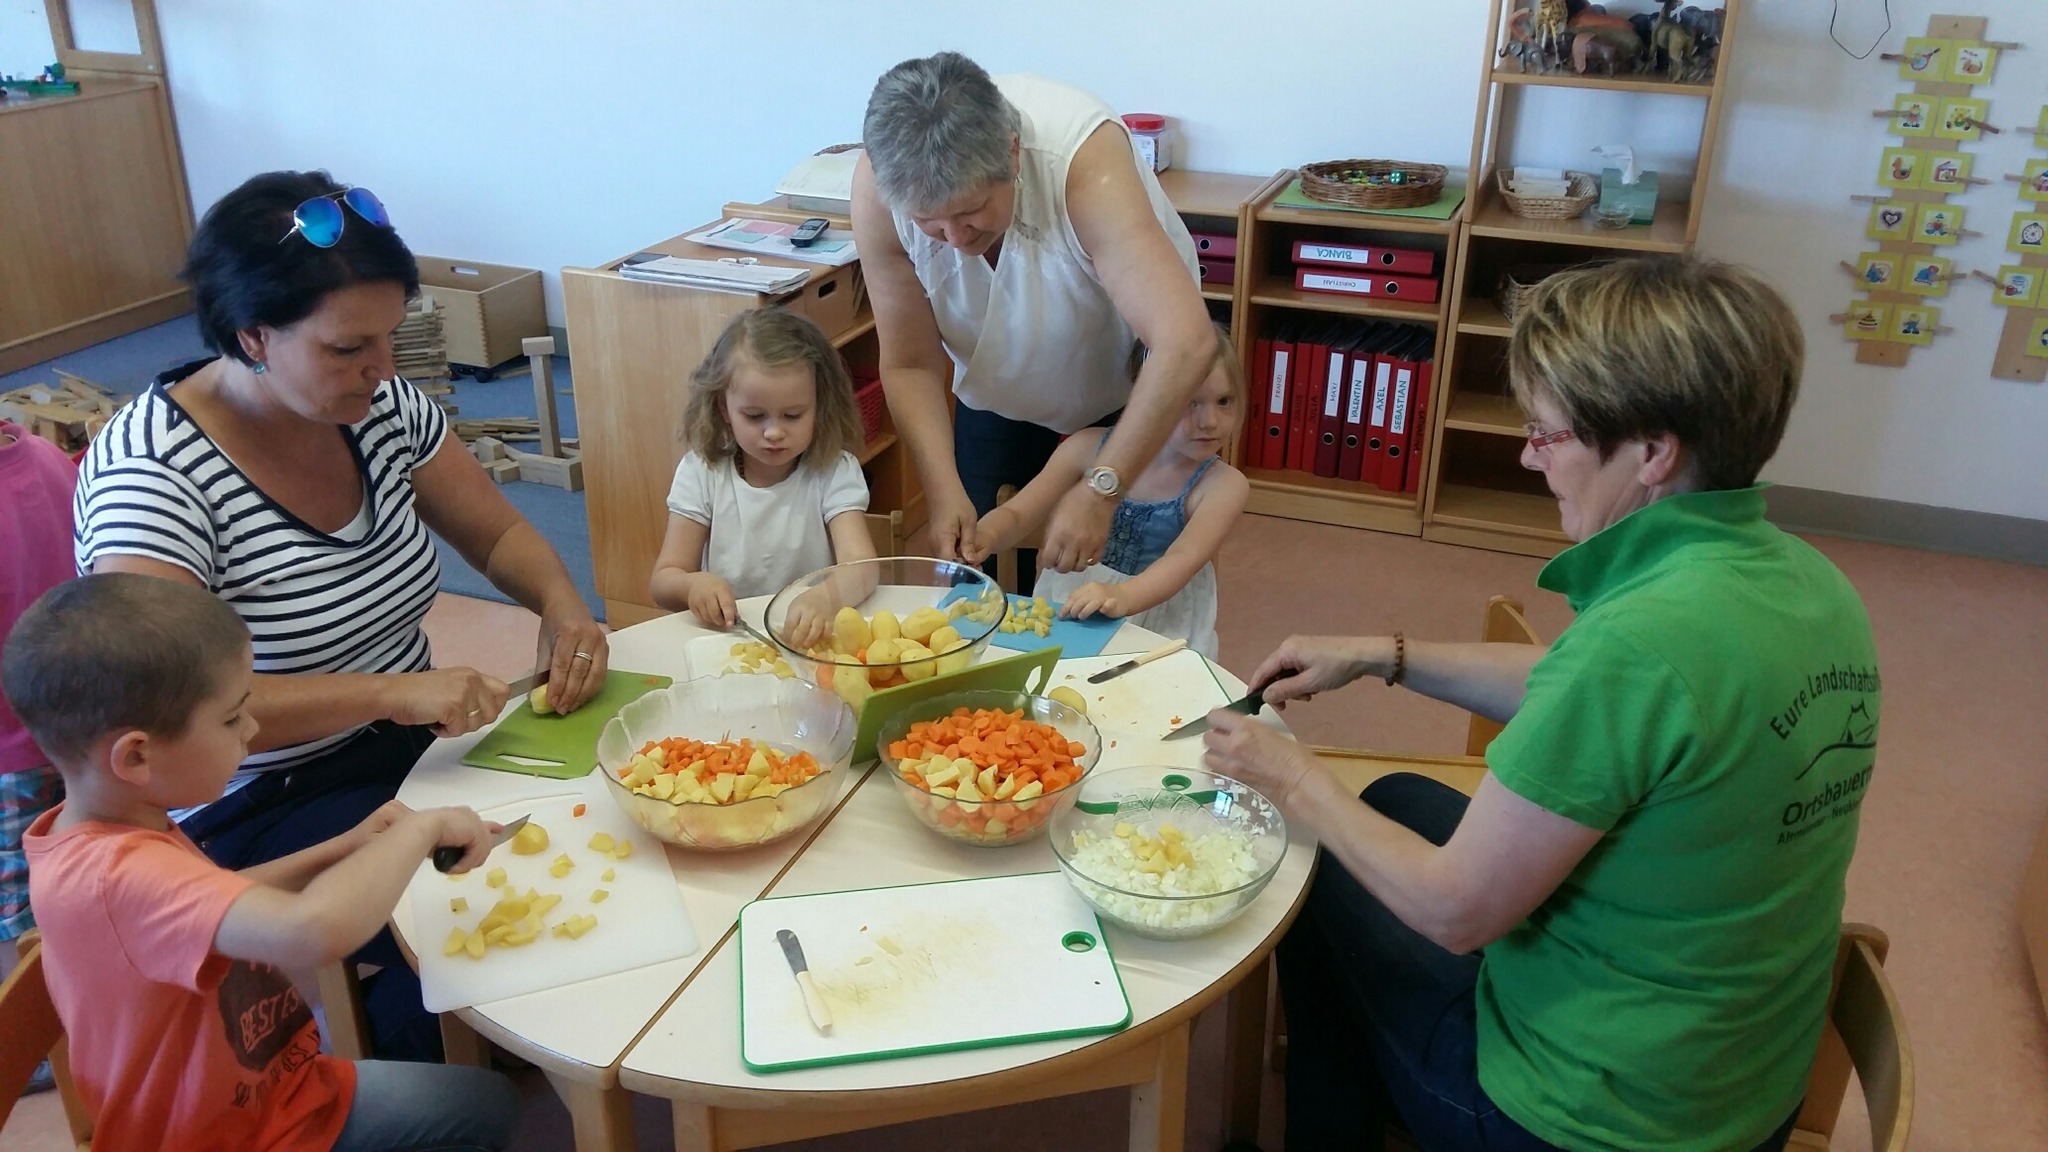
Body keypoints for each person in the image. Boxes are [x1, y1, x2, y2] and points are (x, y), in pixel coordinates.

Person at [1201, 256, 1880, 1152]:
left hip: (1589, 1124)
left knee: (1319, 859)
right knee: (1397, 801)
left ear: (1652, 452)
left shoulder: (1639, 649)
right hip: (1736, 1082)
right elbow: (1594, 699)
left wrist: (1293, 777)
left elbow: (1457, 911)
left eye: (1550, 434)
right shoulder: (1804, 581)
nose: (1528, 454)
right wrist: (1382, 656)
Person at [72, 169, 608, 1058]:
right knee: (481, 913)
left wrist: (562, 605)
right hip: (258, 796)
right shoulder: (154, 477)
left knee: (587, 833)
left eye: (392, 337)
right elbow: (167, 723)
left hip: (412, 740)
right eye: (348, 347)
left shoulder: (377, 406)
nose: (384, 369)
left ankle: (454, 1047)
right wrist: (390, 693)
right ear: (252, 337)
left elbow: (500, 532)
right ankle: (357, 1079)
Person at [6, 572, 521, 1152]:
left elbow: (214, 901)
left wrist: (347, 844)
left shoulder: (111, 823)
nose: (252, 731)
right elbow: (314, 932)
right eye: (231, 719)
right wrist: (422, 829)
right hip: (223, 1138)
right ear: (137, 755)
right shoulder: (111, 874)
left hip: (280, 1091)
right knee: (480, 1110)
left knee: (486, 1106)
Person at [852, 52, 1216, 584]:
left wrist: (1102, 488)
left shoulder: (1082, 158)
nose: (954, 239)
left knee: (1122, 580)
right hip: (999, 383)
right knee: (981, 575)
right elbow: (909, 363)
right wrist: (941, 487)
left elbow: (1183, 343)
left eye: (971, 210)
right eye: (929, 223)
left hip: (1134, 383)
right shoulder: (878, 187)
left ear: (1014, 154)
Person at [967, 324, 1249, 659]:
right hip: (1072, 606)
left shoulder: (1224, 485)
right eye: (1190, 403)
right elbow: (1018, 513)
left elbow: (1182, 558)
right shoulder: (1086, 448)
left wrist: (1122, 597)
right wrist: (982, 537)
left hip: (1161, 626)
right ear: (1144, 399)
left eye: (1224, 401)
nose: (1211, 421)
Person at [649, 307, 875, 644]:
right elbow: (663, 580)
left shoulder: (833, 471)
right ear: (724, 409)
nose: (774, 432)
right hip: (729, 639)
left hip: (810, 639)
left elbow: (863, 567)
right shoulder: (702, 471)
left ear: (819, 406)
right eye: (755, 416)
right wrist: (693, 585)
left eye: (793, 415)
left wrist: (823, 598)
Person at [0, 418, 78, 1094]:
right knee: (72, 860)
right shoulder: (48, 456)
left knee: (20, 905)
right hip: (75, 715)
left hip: (8, 744)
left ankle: (41, 1047)